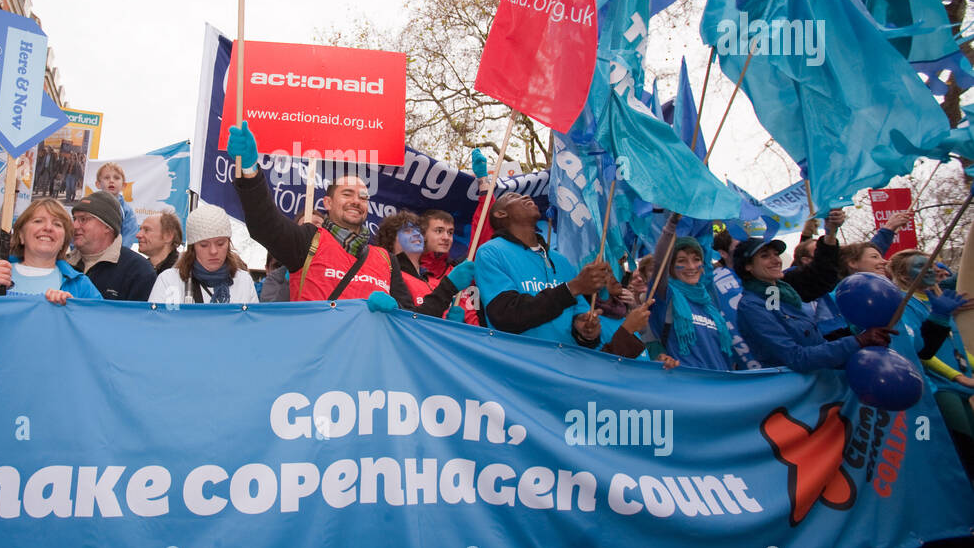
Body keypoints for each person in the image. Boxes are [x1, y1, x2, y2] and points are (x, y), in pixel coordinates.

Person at [226, 121, 459, 314]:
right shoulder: (308, 240)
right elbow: (265, 224)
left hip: (366, 355)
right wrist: (250, 171)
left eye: (363, 196)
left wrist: (396, 309)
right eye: (347, 194)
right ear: (328, 203)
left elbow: (410, 319)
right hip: (316, 353)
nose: (356, 200)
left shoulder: (386, 260)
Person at [475, 190, 649, 358]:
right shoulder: (491, 252)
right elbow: (506, 315)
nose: (527, 196)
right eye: (514, 197)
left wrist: (586, 331)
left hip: (566, 366)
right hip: (522, 366)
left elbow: (580, 320)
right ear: (500, 214)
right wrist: (572, 287)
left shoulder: (561, 260)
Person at [733, 237, 890, 372]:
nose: (776, 260)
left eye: (776, 254)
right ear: (748, 266)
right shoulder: (752, 306)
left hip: (821, 382)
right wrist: (858, 341)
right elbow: (796, 357)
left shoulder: (782, 296)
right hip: (796, 391)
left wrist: (863, 346)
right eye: (765, 256)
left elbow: (816, 344)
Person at [0, 198, 100, 303]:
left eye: (57, 224)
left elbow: (100, 326)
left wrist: (74, 309)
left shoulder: (81, 285)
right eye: (38, 221)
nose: (48, 228)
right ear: (21, 235)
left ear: (64, 240)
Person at [645, 215, 735, 371]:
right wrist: (671, 225)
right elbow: (660, 263)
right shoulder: (665, 295)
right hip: (686, 383)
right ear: (670, 267)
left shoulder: (709, 303)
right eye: (682, 261)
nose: (691, 266)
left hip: (720, 381)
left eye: (696, 259)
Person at [149, 204, 258, 304]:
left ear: (229, 243)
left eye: (220, 243)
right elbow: (156, 318)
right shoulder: (169, 281)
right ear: (193, 248)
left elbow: (252, 319)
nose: (213, 251)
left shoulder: (244, 282)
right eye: (204, 245)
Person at [65, 191, 154, 301]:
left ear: (107, 226)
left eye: (83, 219)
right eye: (74, 219)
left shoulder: (138, 271)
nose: (75, 226)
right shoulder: (62, 265)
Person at [94, 162, 139, 244]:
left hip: (116, 250)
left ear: (123, 185)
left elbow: (129, 234)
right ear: (98, 184)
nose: (111, 181)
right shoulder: (90, 206)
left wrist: (120, 250)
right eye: (107, 178)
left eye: (116, 178)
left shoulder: (126, 211)